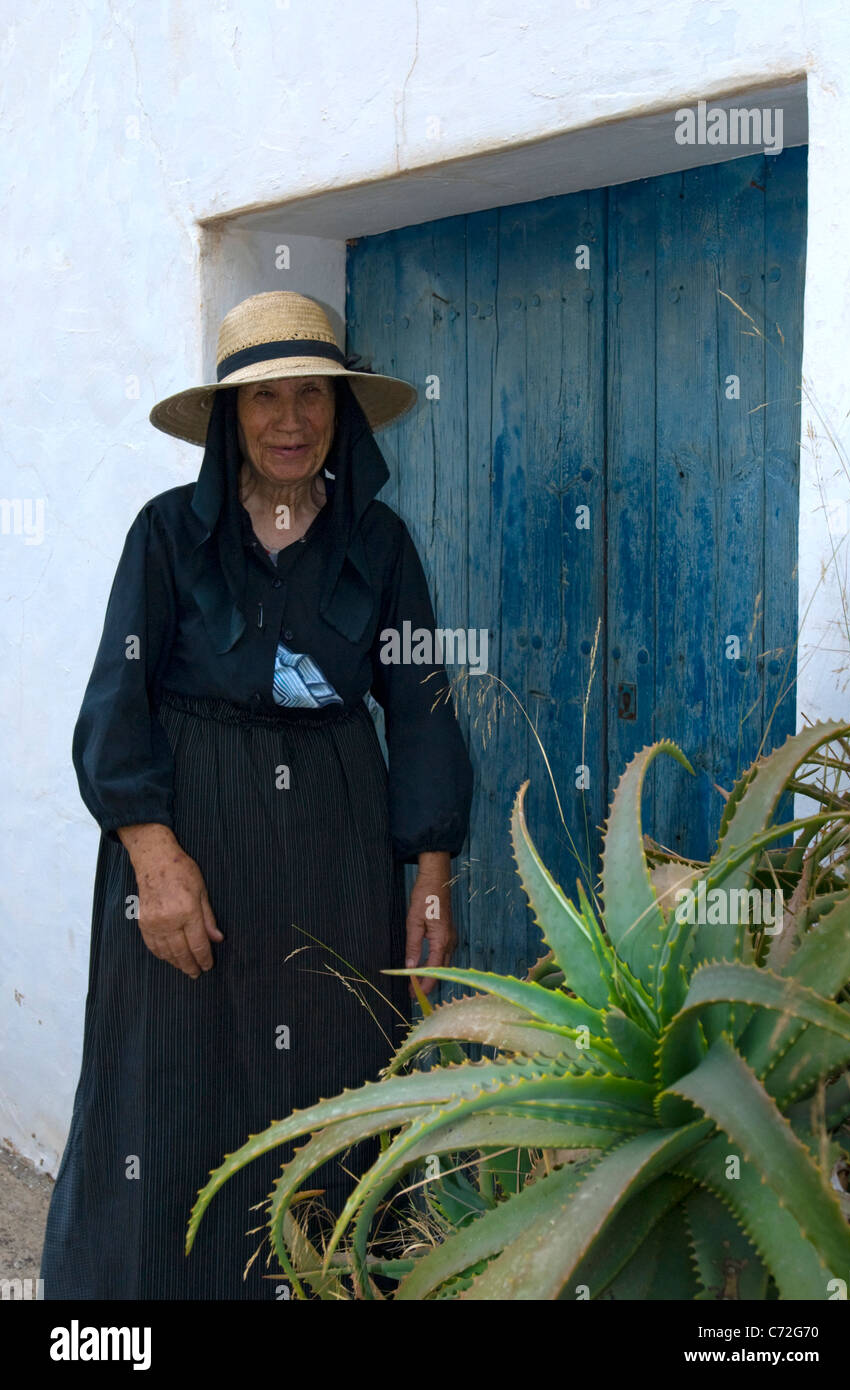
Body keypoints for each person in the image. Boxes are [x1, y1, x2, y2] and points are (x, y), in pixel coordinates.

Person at [40, 290, 474, 1300]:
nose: (288, 418)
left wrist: (432, 876)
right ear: (229, 418)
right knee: (169, 1087)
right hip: (188, 855)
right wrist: (154, 860)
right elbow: (116, 704)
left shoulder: (381, 545)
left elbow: (418, 712)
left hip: (335, 854)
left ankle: (313, 1283)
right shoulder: (166, 538)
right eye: (263, 396)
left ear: (340, 409)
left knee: (330, 1074)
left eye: (310, 394)